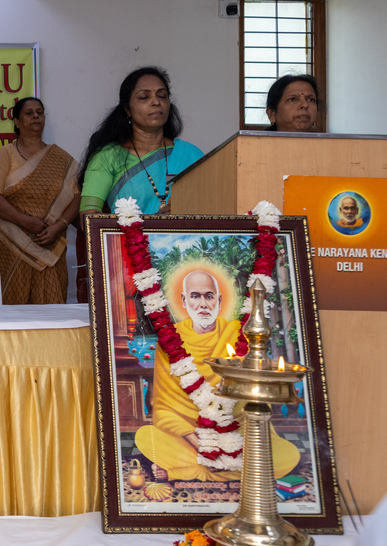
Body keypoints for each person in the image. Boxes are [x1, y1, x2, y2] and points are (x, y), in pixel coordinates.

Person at [135, 269, 300, 482]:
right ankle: (228, 469)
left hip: (237, 431)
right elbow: (163, 409)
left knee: (288, 455)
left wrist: (227, 444)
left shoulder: (239, 333)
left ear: (219, 300)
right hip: (191, 438)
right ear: (184, 301)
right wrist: (206, 450)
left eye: (209, 296)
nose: (203, 304)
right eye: (195, 296)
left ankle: (191, 472)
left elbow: (251, 394)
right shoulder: (169, 340)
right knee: (146, 437)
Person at [0, 97, 80, 305]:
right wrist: (25, 221)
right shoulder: (6, 153)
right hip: (11, 244)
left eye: (39, 112)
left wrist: (59, 226)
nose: (36, 116)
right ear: (16, 121)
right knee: (12, 305)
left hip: (49, 243)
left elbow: (77, 196)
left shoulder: (61, 158)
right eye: (29, 113)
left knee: (51, 306)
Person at [79, 66, 204, 216]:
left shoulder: (190, 154)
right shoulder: (107, 156)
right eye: (144, 97)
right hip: (129, 232)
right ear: (127, 109)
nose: (156, 102)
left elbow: (213, 205)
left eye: (162, 96)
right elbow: (88, 216)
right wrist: (153, 223)